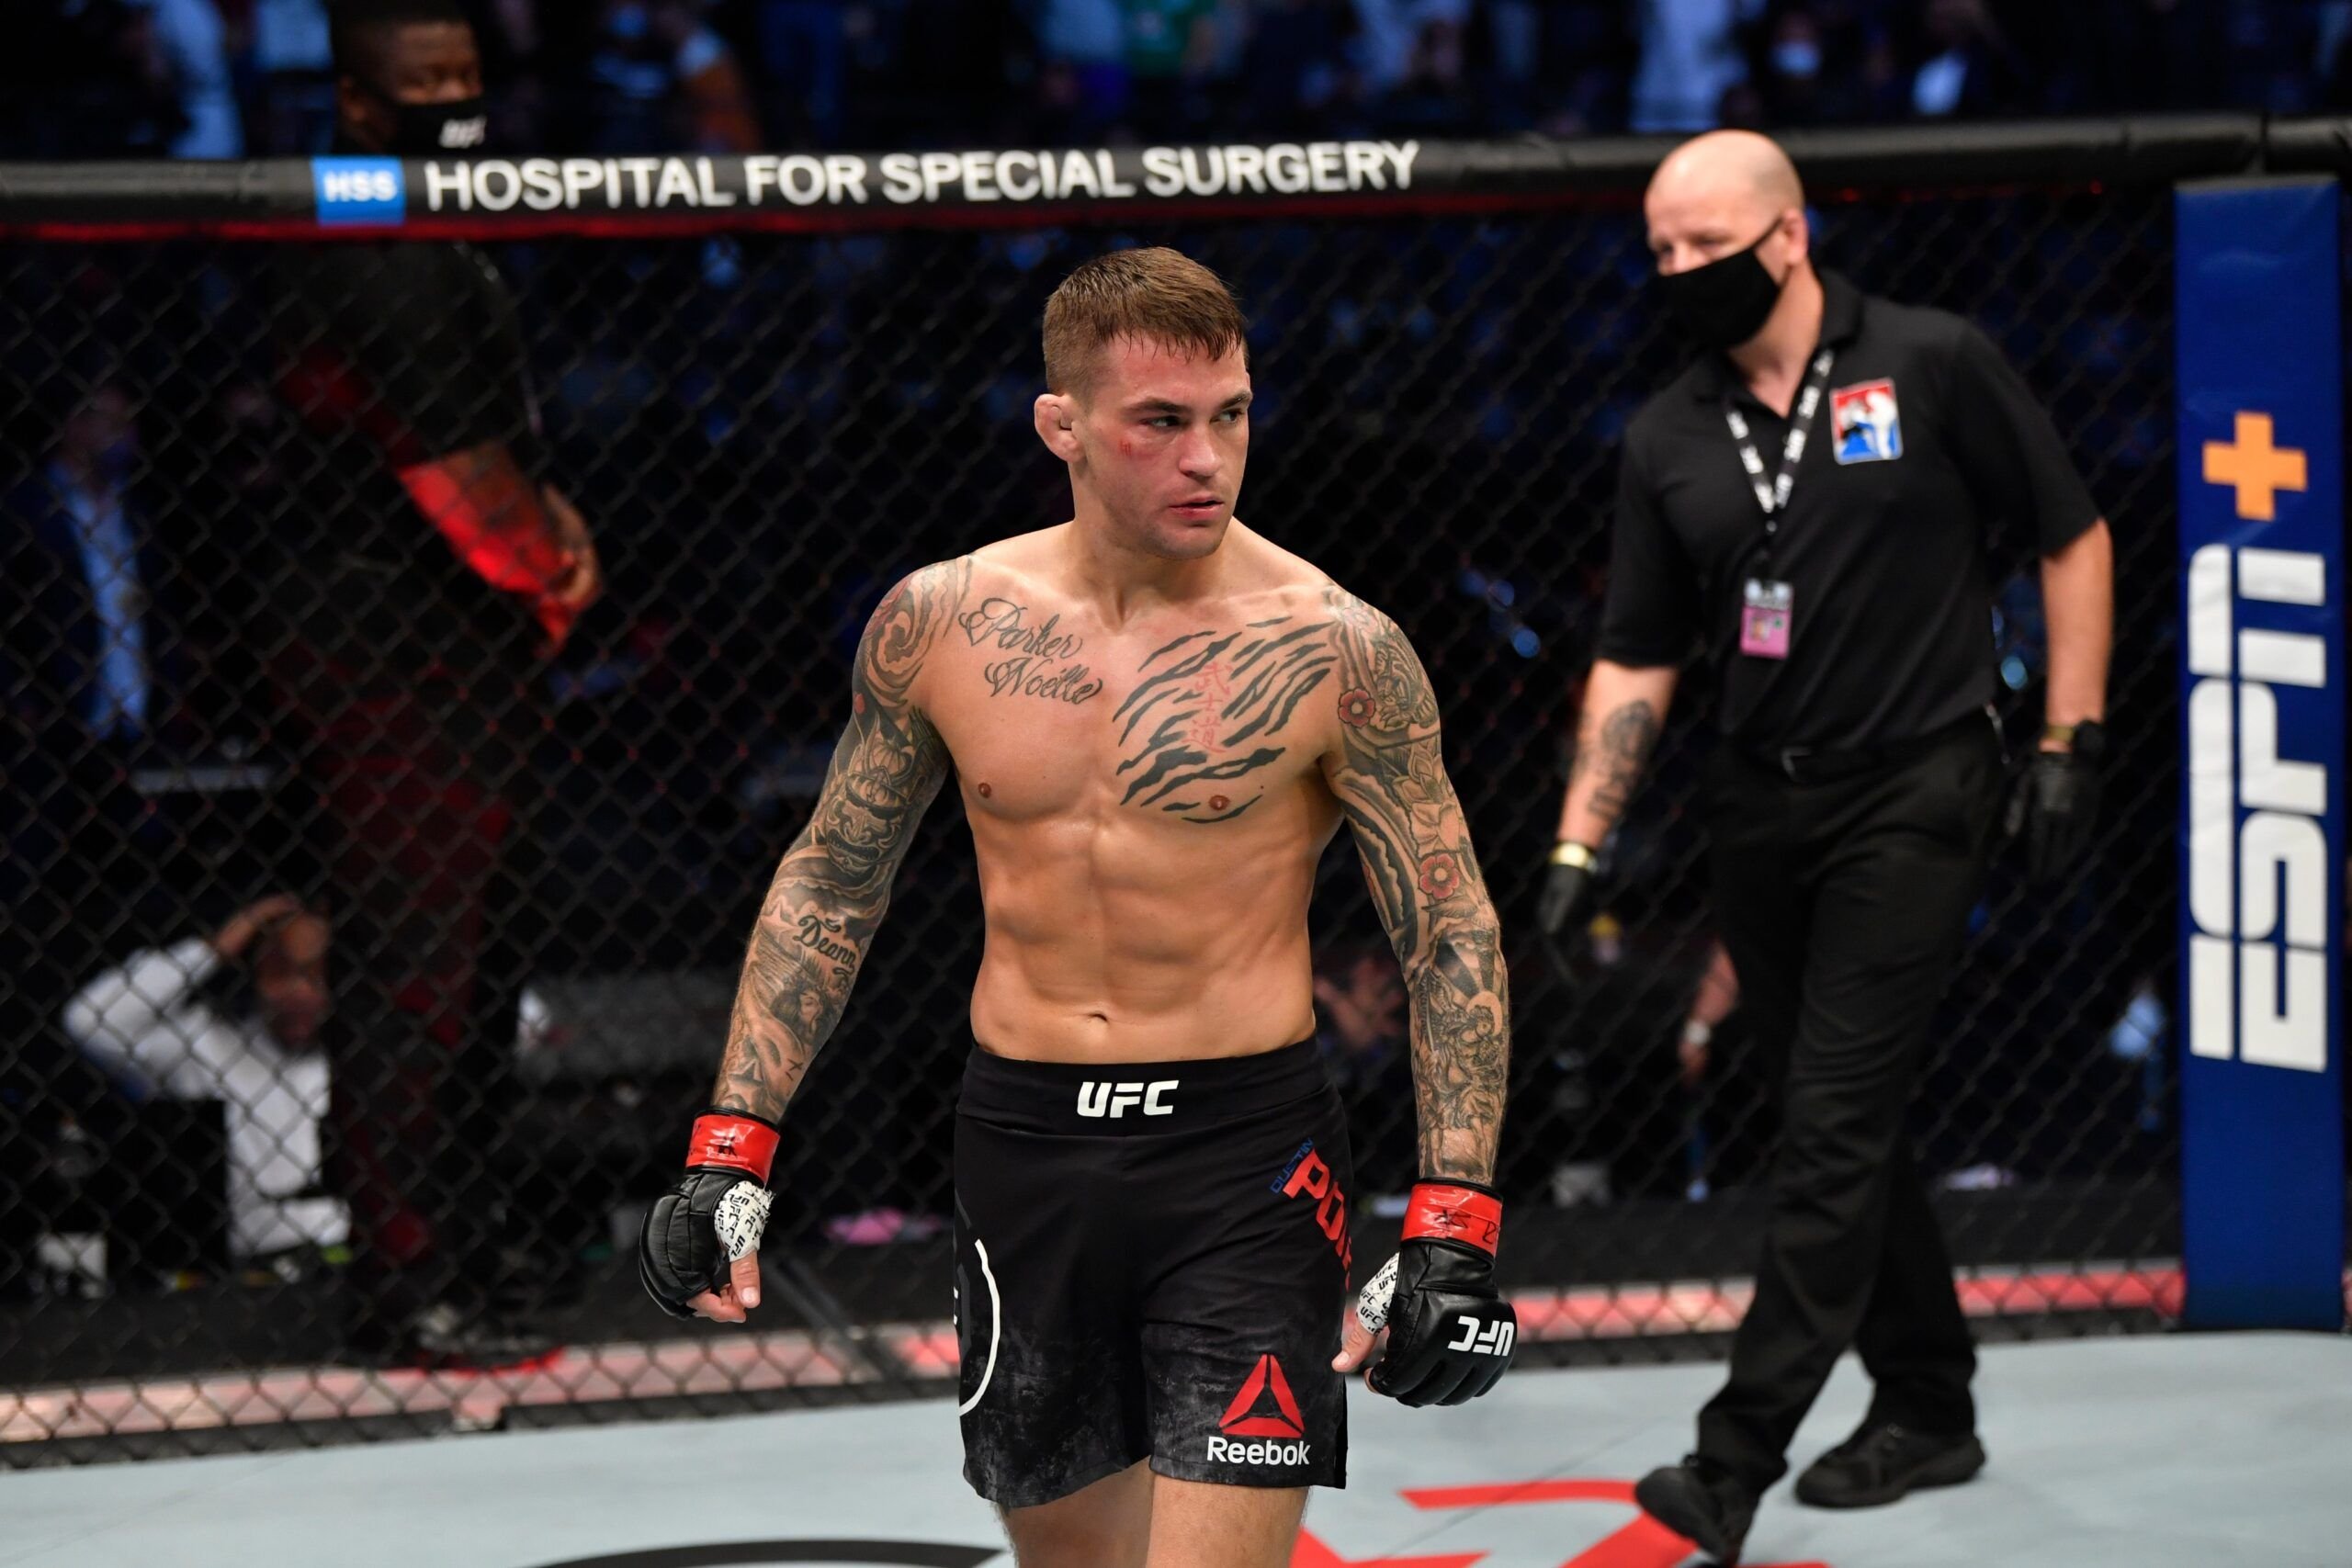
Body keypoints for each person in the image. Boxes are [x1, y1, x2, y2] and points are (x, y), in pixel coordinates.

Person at [639, 247, 1519, 1568]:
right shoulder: (944, 621)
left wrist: (1455, 1218)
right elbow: (835, 875)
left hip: (1246, 1159)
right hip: (1027, 1145)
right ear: (1062, 425)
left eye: (1231, 415)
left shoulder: (1336, 646)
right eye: (1159, 421)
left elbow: (1448, 929)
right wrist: (731, 1144)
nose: (1206, 459)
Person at [1537, 130, 2112, 1562]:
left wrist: (2069, 739)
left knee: (1836, 1117)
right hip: (1761, 805)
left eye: (1702, 242)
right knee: (1834, 1108)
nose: (1677, 268)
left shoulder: (1928, 359)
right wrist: (1579, 842)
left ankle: (1732, 1456)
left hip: (1918, 786)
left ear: (1787, 236)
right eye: (1659, 249)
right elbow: (1638, 651)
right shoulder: (1669, 431)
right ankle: (1928, 1400)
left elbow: (2072, 533)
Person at [269, 0, 598, 1367]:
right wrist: (551, 564)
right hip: (395, 656)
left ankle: (458, 1245)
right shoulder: (379, 245)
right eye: (428, 81)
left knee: (472, 966)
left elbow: (490, 457)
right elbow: (457, 480)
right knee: (417, 970)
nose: (456, 100)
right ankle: (409, 1279)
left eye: (469, 74)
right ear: (360, 101)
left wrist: (543, 540)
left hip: (455, 654)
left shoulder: (441, 229)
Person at [63, 896, 349, 1265]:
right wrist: (213, 950)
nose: (301, 992)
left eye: (317, 975)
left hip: (349, 1251)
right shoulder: (207, 1043)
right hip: (248, 1262)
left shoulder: (362, 1054)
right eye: (282, 972)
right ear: (254, 972)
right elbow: (90, 1020)